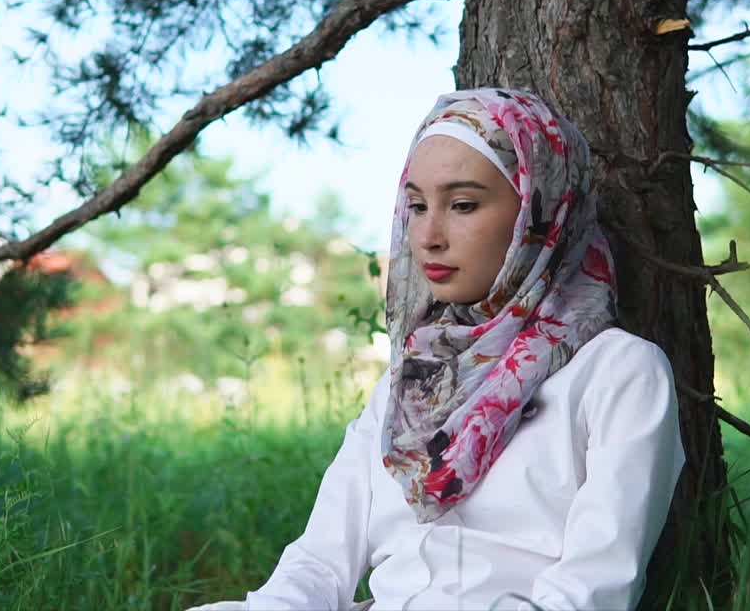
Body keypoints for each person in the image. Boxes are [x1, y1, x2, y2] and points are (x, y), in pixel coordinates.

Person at [189, 88, 684, 611]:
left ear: (541, 213)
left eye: (464, 205)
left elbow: (594, 590)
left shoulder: (617, 372)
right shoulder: (411, 380)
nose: (427, 235)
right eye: (418, 205)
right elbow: (319, 562)